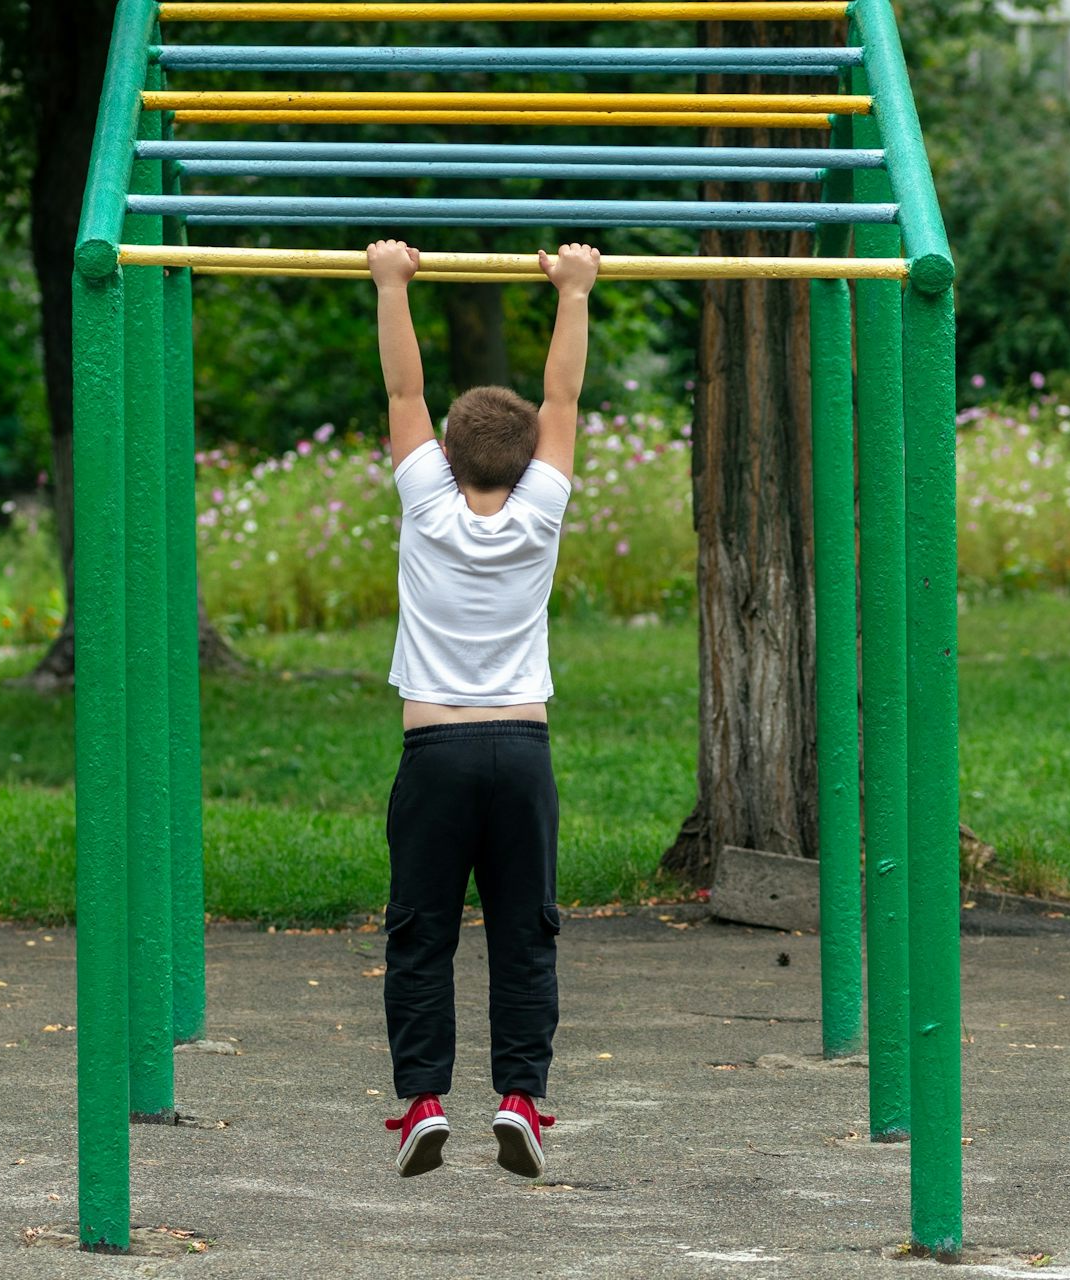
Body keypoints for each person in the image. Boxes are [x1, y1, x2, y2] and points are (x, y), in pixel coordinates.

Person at [368, 239, 599, 1179]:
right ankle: (519, 1097)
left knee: (421, 928)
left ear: (445, 454)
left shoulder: (427, 505)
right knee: (524, 930)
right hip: (522, 752)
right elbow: (565, 400)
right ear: (529, 455)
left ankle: (425, 1099)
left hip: (436, 754)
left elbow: (401, 394)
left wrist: (392, 284)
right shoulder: (541, 511)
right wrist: (574, 291)